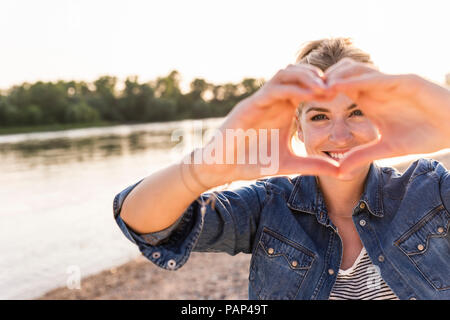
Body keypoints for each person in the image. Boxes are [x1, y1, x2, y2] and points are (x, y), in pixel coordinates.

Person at [113, 38, 450, 300]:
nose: (341, 134)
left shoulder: (429, 189)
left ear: (379, 117)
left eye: (357, 112)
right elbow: (142, 223)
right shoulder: (269, 206)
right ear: (298, 130)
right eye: (319, 116)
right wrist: (206, 169)